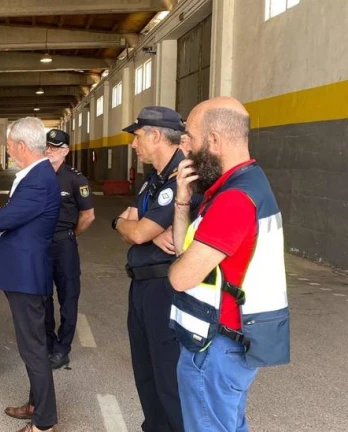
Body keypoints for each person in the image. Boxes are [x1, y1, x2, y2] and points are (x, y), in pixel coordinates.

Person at [169, 96, 290, 431]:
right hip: (227, 344)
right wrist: (182, 201)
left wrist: (180, 265)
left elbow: (180, 276)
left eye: (190, 138)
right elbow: (184, 251)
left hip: (215, 349)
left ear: (214, 140)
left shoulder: (233, 201)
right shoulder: (245, 184)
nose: (185, 148)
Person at [113, 106, 193, 432]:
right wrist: (123, 223)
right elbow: (128, 223)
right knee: (145, 373)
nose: (134, 145)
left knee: (168, 378)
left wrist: (138, 229)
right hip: (142, 286)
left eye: (137, 137)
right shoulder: (153, 180)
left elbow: (137, 232)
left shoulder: (180, 180)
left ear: (155, 135)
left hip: (165, 289)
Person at [0, 117, 61, 432]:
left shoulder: (38, 179)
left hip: (26, 275)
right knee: (33, 346)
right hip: (24, 273)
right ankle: (36, 405)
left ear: (21, 145)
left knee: (33, 349)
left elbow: (5, 218)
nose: (8, 150)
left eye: (9, 145)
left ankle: (44, 423)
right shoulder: (37, 174)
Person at [43, 129, 95, 370]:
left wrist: (71, 234)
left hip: (64, 244)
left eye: (55, 147)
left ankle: (63, 348)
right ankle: (47, 342)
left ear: (66, 151)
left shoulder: (76, 179)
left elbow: (88, 216)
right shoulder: (37, 175)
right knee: (42, 296)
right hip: (41, 244)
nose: (50, 151)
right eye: (47, 146)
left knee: (68, 297)